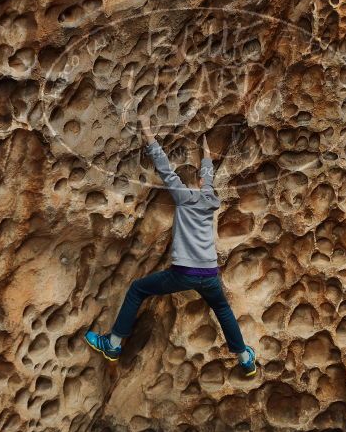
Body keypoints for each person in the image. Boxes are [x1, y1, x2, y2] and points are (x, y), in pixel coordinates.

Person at [85, 114, 257, 376]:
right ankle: (245, 358)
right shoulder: (211, 199)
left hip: (184, 274)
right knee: (223, 310)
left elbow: (165, 169)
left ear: (195, 184)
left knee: (138, 289)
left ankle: (113, 344)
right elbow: (208, 176)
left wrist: (148, 133)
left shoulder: (183, 197)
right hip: (209, 274)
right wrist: (207, 155)